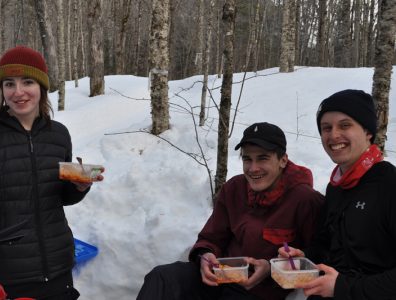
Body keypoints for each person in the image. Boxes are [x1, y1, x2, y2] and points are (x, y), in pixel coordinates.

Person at [0, 46, 104, 299]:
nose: (18, 92)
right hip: (7, 273)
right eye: (9, 83)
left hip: (58, 266)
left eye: (28, 82)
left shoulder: (58, 134)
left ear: (42, 87)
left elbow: (60, 196)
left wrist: (78, 186)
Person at [137, 122, 324, 300]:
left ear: (283, 160)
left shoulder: (305, 199)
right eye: (247, 159)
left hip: (260, 292)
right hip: (221, 277)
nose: (253, 168)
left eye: (263, 158)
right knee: (162, 278)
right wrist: (204, 255)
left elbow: (318, 254)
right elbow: (212, 237)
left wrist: (271, 268)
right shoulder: (234, 188)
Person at [278, 89, 396, 299]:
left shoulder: (389, 184)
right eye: (326, 128)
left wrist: (343, 287)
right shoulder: (336, 186)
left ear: (368, 132)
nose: (333, 135)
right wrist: (304, 256)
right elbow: (326, 243)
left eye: (345, 125)